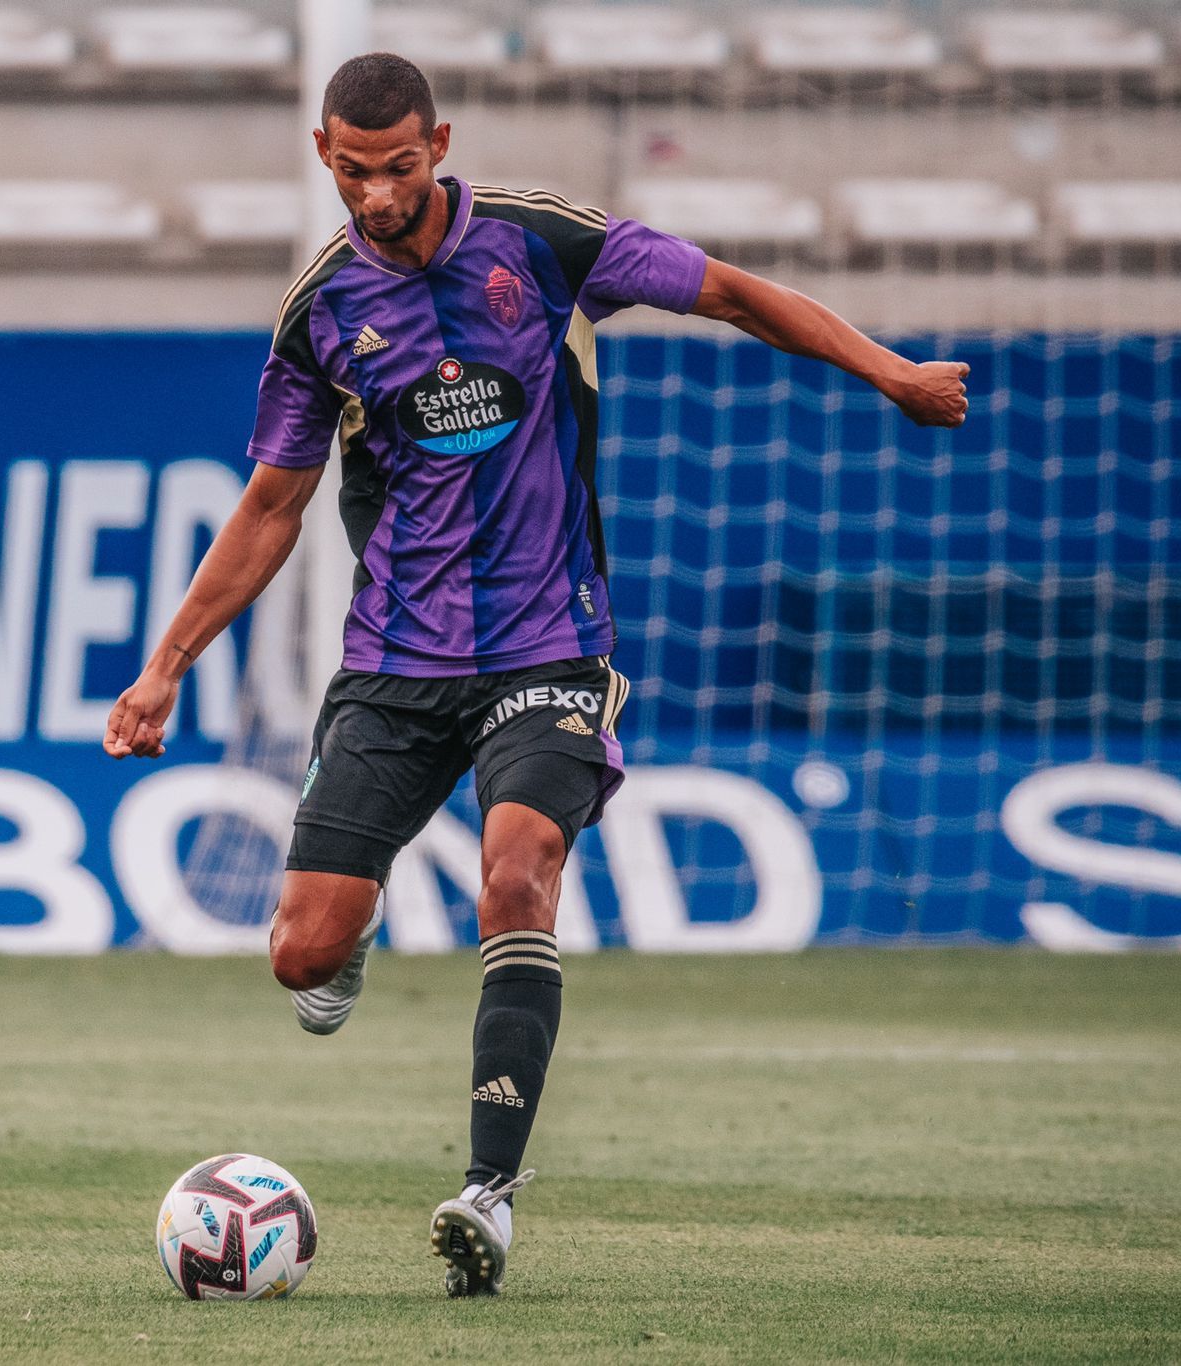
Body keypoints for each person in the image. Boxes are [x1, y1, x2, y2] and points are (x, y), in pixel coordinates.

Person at [104, 52, 968, 1298]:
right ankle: (339, 947)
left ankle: (487, 1194)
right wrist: (164, 665)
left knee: (518, 868)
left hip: (547, 642)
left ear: (438, 144)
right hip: (395, 659)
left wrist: (885, 371)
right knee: (299, 952)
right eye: (355, 172)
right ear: (321, 156)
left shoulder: (545, 244)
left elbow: (726, 290)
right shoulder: (322, 314)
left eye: (400, 167)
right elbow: (271, 504)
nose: (380, 193)